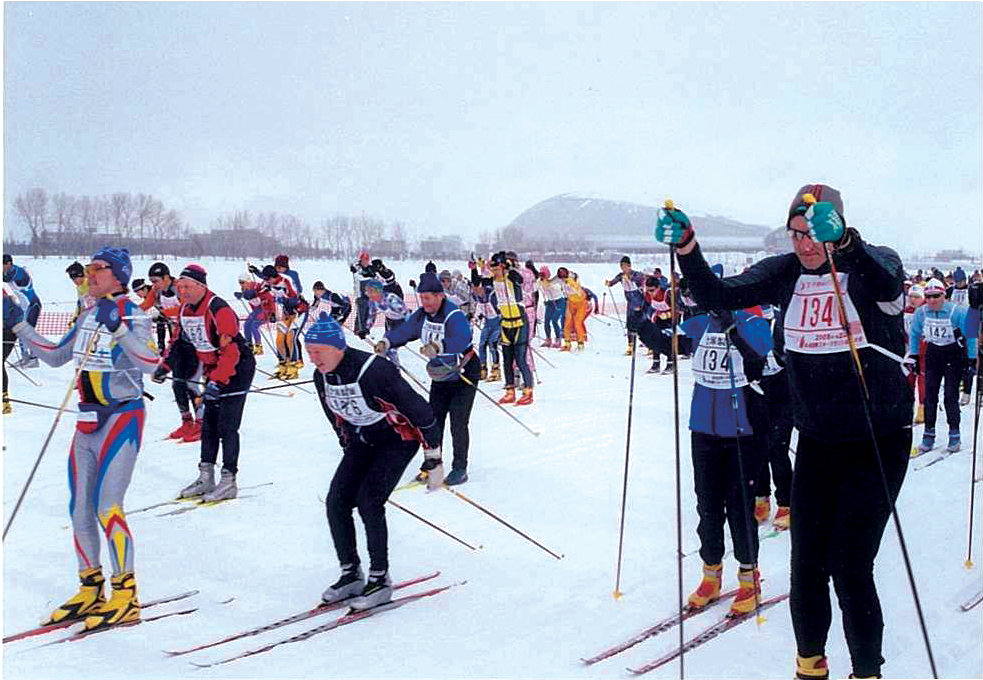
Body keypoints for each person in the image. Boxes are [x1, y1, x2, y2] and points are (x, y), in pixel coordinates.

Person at [657, 184, 912, 680]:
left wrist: (848, 245)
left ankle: (867, 672)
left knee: (850, 564)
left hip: (875, 439)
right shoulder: (784, 272)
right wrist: (687, 246)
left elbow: (887, 283)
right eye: (797, 234)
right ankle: (809, 667)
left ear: (837, 227)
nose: (805, 245)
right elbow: (716, 294)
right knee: (807, 566)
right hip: (817, 440)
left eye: (815, 233)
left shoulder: (871, 264)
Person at [4, 247, 158, 631]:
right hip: (86, 419)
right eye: (89, 268)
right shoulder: (89, 311)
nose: (90, 273)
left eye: (98, 268)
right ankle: (91, 586)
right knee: (79, 509)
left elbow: (153, 364)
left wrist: (119, 328)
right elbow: (57, 356)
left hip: (122, 415)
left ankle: (127, 595)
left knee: (108, 506)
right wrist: (20, 326)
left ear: (119, 274)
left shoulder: (133, 312)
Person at [309, 313, 441, 610]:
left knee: (369, 501)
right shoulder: (322, 376)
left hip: (396, 440)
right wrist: (347, 446)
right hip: (361, 441)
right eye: (309, 352)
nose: (314, 358)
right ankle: (350, 574)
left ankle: (379, 578)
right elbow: (335, 416)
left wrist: (433, 455)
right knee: (336, 501)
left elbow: (420, 410)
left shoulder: (374, 370)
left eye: (319, 351)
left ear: (338, 348)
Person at [675, 303, 772, 617]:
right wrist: (644, 329)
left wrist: (735, 330)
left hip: (742, 430)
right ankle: (710, 574)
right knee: (707, 505)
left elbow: (763, 359)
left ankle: (749, 577)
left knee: (740, 507)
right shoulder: (700, 322)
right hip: (703, 427)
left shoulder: (753, 324)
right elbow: (673, 342)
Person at [375, 271, 480, 486]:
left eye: (428, 298)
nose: (425, 302)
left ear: (440, 295)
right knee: (433, 420)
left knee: (458, 422)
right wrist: (387, 342)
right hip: (441, 374)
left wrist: (438, 346)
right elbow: (405, 331)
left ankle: (460, 467)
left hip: (463, 371)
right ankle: (433, 464)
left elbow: (462, 338)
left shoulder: (453, 314)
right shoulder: (422, 315)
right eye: (421, 298)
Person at [163, 264, 257, 502]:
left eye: (186, 286)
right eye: (179, 286)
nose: (181, 291)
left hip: (237, 368)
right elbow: (177, 342)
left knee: (227, 424)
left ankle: (229, 480)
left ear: (200, 286)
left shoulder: (219, 309)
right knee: (208, 424)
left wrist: (217, 382)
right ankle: (206, 476)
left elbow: (232, 351)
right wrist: (165, 366)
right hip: (214, 368)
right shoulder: (185, 310)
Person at [907, 277, 977, 453]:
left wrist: (971, 359)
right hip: (933, 354)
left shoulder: (957, 311)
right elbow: (915, 335)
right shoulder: (921, 313)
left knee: (950, 397)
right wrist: (914, 356)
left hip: (953, 355)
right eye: (928, 296)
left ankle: (954, 434)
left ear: (944, 295)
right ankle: (928, 435)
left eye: (936, 296)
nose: (932, 300)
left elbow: (971, 335)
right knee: (929, 397)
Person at [471, 252, 534, 405]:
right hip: (505, 323)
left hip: (520, 323)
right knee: (507, 360)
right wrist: (474, 268)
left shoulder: (512, 277)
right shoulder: (493, 280)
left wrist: (508, 267)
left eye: (496, 268)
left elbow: (519, 278)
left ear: (503, 266)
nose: (493, 271)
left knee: (520, 359)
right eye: (492, 269)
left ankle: (528, 391)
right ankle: (509, 390)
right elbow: (476, 282)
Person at [3, 253, 42, 368]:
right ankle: (25, 357)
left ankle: (34, 359)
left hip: (32, 305)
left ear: (9, 263)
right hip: (24, 306)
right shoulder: (9, 271)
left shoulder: (19, 272)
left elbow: (8, 278)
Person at [604, 255, 646, 356]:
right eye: (622, 266)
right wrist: (609, 283)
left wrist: (630, 278)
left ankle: (647, 344)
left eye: (625, 266)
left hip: (639, 300)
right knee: (630, 323)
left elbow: (641, 281)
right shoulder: (621, 275)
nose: (623, 268)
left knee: (642, 322)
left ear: (629, 265)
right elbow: (613, 282)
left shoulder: (637, 274)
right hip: (630, 302)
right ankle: (630, 345)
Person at [234, 271, 276, 355]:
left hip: (266, 310)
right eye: (239, 283)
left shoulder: (257, 286)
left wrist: (273, 313)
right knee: (246, 325)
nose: (241, 285)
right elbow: (252, 300)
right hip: (257, 311)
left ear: (248, 281)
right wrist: (242, 295)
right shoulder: (244, 289)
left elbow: (271, 298)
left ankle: (258, 347)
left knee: (254, 325)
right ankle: (249, 345)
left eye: (242, 282)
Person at [146, 261, 180, 353]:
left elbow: (186, 308)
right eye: (151, 282)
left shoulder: (179, 287)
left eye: (155, 281)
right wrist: (125, 311)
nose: (153, 285)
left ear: (166, 278)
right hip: (173, 324)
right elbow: (145, 305)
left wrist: (163, 313)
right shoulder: (156, 290)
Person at [472, 277, 502, 381]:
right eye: (474, 290)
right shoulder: (478, 297)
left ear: (482, 288)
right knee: (481, 345)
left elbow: (500, 308)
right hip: (488, 323)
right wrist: (476, 318)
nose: (476, 292)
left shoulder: (492, 295)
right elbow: (479, 309)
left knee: (492, 344)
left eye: (477, 289)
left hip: (497, 322)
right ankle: (483, 368)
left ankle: (496, 370)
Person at [558, 267, 587, 351]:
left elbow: (577, 290)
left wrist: (570, 285)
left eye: (564, 275)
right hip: (571, 302)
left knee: (577, 323)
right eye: (561, 275)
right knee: (567, 323)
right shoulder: (564, 281)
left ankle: (581, 343)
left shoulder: (571, 280)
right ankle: (567, 343)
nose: (563, 277)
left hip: (581, 303)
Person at [538, 266, 565, 348]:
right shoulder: (540, 282)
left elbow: (555, 288)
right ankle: (548, 339)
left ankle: (558, 339)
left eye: (544, 274)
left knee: (554, 320)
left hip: (559, 301)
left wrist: (548, 283)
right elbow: (539, 288)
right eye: (541, 274)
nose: (542, 276)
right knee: (546, 321)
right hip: (549, 302)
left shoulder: (554, 281)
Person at [66, 260, 96, 328]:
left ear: (81, 275)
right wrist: (75, 317)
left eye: (75, 278)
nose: (74, 281)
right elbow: (80, 304)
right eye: (72, 279)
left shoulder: (89, 283)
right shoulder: (79, 287)